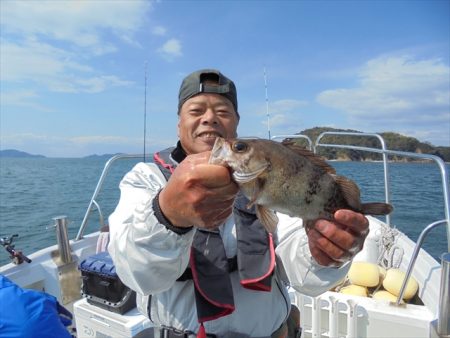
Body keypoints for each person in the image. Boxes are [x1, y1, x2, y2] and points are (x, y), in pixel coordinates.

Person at [108, 69, 369, 338]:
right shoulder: (146, 178)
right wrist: (167, 214)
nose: (209, 118)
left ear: (235, 123)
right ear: (179, 123)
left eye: (222, 111)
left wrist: (325, 252)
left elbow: (302, 268)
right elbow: (136, 273)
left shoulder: (256, 179)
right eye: (196, 111)